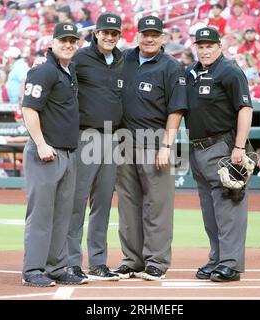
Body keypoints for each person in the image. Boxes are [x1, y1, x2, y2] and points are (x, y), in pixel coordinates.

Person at [113, 16, 188, 281]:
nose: (150, 38)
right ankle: (132, 260)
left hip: (155, 140)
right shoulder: (123, 59)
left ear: (163, 38)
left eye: (155, 34)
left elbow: (176, 110)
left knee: (158, 204)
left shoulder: (171, 66)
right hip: (123, 141)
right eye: (146, 33)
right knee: (128, 204)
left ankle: (156, 261)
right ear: (138, 35)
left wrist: (167, 146)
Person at [184, 27, 253, 282]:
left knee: (229, 207)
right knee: (210, 211)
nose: (204, 50)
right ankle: (217, 258)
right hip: (197, 148)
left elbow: (245, 108)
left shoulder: (230, 71)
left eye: (209, 45)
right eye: (200, 45)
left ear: (219, 46)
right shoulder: (191, 72)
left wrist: (238, 147)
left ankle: (231, 264)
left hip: (223, 146)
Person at [21, 22, 87, 287]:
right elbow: (29, 109)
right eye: (64, 40)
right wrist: (40, 143)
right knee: (41, 214)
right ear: (52, 41)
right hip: (46, 152)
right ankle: (33, 270)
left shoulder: (68, 70)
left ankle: (57, 267)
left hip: (67, 152)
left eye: (72, 40)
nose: (68, 44)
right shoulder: (43, 70)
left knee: (62, 215)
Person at [62, 12, 124, 281]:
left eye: (114, 33)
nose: (109, 36)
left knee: (103, 203)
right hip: (85, 135)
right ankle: (70, 262)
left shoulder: (124, 60)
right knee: (77, 201)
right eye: (105, 32)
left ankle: (98, 262)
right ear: (96, 33)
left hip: (113, 138)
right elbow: (59, 76)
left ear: (118, 36)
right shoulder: (80, 58)